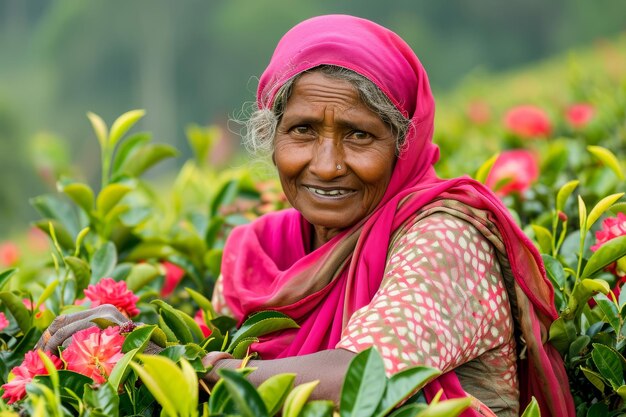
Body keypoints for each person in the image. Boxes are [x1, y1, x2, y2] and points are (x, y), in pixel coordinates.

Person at [39, 15, 574, 417]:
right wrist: (118, 342)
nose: (326, 164)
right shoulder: (261, 253)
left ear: (403, 144)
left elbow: (359, 378)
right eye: (302, 132)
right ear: (271, 140)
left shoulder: (445, 236)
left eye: (359, 135)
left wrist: (169, 361)